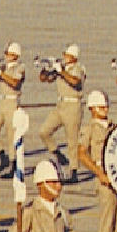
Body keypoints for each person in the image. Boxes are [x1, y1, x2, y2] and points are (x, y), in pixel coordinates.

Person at [76, 90, 117, 232]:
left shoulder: (114, 127)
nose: (105, 109)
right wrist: (99, 174)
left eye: (106, 106)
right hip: (104, 176)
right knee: (108, 216)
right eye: (100, 106)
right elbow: (82, 153)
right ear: (92, 109)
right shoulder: (89, 128)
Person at [36, 45, 86, 176]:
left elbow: (75, 82)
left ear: (74, 57)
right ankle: (57, 152)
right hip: (60, 105)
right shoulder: (62, 69)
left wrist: (61, 71)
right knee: (44, 131)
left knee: (72, 140)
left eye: (67, 55)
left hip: (73, 106)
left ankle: (73, 171)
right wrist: (46, 69)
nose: (64, 57)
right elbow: (44, 79)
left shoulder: (78, 68)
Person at [0, 43, 27, 177]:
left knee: (11, 135)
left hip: (12, 102)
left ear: (15, 55)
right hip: (1, 101)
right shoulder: (3, 66)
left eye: (8, 53)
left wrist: (0, 73)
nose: (6, 56)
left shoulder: (20, 67)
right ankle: (2, 157)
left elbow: (15, 83)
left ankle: (13, 165)